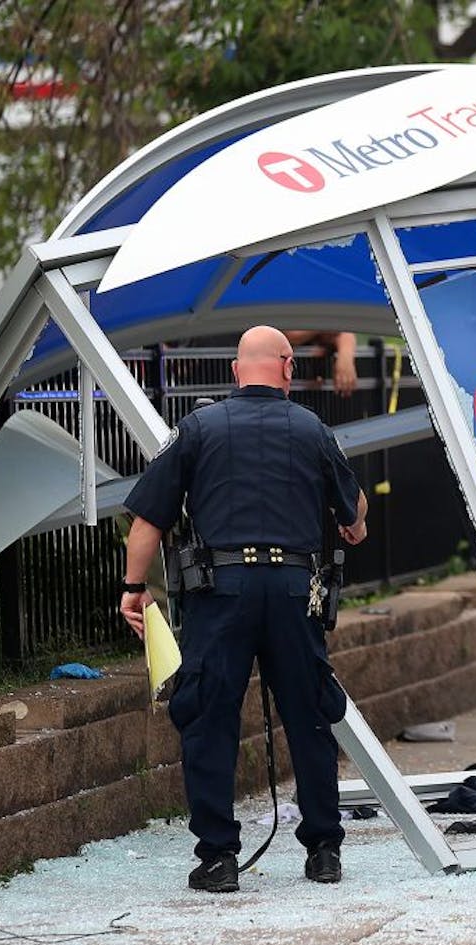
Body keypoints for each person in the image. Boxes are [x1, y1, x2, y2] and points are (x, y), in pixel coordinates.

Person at [118, 325, 369, 893]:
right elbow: (353, 518)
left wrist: (134, 587)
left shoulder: (197, 429)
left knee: (209, 718)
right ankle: (324, 851)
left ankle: (218, 859)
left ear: (237, 371)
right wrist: (350, 518)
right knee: (308, 715)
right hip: (292, 591)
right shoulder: (312, 429)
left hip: (219, 591)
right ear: (286, 368)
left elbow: (148, 521)